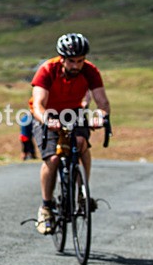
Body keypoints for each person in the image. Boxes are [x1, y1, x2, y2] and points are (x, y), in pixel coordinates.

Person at [30, 33, 111, 234]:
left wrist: (100, 116)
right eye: (72, 61)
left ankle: (82, 193)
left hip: (74, 112)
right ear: (62, 58)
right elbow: (38, 104)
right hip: (46, 113)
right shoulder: (47, 70)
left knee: (82, 142)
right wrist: (49, 120)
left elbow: (103, 103)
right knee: (54, 157)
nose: (76, 65)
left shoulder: (90, 71)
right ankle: (46, 207)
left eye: (80, 61)